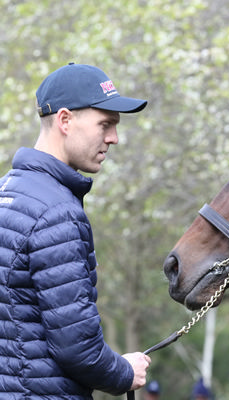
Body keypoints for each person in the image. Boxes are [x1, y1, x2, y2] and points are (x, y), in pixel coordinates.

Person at [0, 63, 151, 398]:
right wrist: (124, 372)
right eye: (105, 124)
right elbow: (76, 348)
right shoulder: (56, 212)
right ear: (65, 121)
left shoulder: (5, 192)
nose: (114, 138)